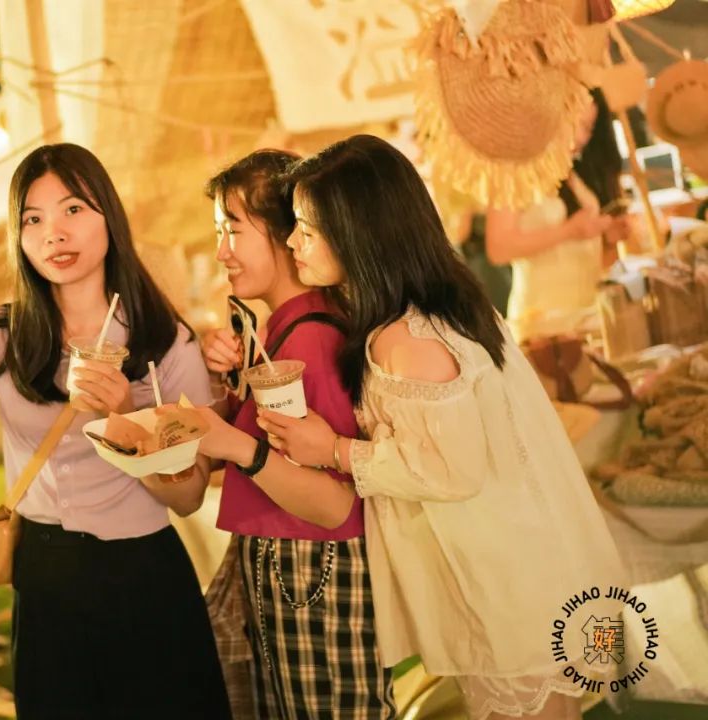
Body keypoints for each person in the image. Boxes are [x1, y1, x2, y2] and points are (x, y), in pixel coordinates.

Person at [254, 136, 626, 720]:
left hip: (494, 574)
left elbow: (452, 472)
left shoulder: (406, 339)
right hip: (522, 557)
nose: (293, 241)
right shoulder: (443, 304)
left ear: (361, 231)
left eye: (307, 228)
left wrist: (335, 449)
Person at [0, 143, 231, 719]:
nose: (54, 235)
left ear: (108, 217)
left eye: (72, 210)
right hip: (46, 576)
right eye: (33, 220)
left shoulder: (166, 341)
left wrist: (124, 421)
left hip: (145, 572)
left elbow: (189, 496)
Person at [197, 149, 395, 719]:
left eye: (233, 229)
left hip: (313, 574)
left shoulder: (311, 338)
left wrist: (232, 442)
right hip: (296, 570)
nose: (222, 251)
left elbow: (336, 505)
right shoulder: (284, 328)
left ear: (288, 234)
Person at [487, 89, 628, 341]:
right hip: (542, 327)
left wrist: (607, 236)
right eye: (576, 124)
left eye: (588, 128)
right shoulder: (513, 172)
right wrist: (569, 231)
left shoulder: (573, 175)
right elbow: (498, 248)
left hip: (587, 317)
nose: (581, 137)